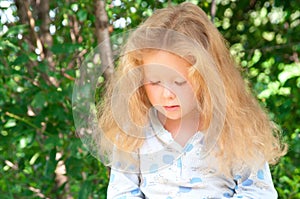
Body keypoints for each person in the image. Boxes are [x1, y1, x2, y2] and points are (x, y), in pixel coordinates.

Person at [97, 2, 286, 198]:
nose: (168, 94)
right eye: (154, 81)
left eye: (179, 81)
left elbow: (258, 192)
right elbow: (122, 193)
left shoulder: (235, 129)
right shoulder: (133, 132)